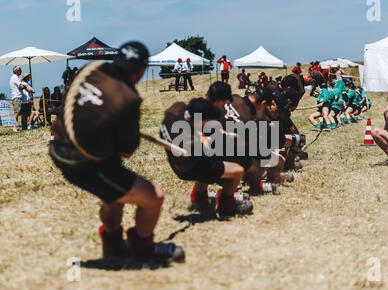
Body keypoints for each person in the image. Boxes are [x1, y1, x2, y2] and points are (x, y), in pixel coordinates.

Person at [50, 41, 185, 262]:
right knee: (154, 197)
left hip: (58, 147)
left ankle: (113, 245)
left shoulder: (90, 70)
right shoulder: (128, 99)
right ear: (141, 70)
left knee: (114, 192)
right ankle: (144, 249)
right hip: (83, 162)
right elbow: (126, 151)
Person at [160, 96, 253, 218]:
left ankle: (199, 197)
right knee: (238, 170)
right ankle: (226, 205)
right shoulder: (191, 143)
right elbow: (206, 152)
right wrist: (205, 141)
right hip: (188, 168)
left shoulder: (176, 110)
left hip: (181, 161)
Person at [9, 66, 27, 131]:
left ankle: (15, 126)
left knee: (16, 112)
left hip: (15, 97)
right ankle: (14, 127)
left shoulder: (13, 77)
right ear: (16, 71)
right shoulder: (15, 77)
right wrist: (25, 86)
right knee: (16, 112)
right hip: (17, 97)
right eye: (20, 70)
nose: (21, 71)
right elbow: (21, 86)